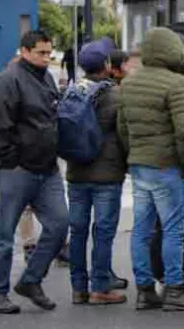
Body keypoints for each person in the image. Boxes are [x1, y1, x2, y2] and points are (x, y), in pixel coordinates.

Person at [118, 28, 184, 312]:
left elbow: (122, 127)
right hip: (167, 166)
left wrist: (130, 157)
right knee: (173, 229)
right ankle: (174, 288)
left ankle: (145, 290)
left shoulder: (129, 84)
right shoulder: (177, 84)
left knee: (142, 230)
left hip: (139, 166)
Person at [0, 30, 68, 315]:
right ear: (24, 51)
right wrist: (12, 162)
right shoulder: (8, 80)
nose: (47, 58)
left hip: (46, 168)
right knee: (4, 234)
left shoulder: (45, 78)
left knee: (59, 224)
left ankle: (31, 280)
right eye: (41, 53)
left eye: (50, 53)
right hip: (17, 170)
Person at [66, 42, 129, 306]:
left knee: (78, 231)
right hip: (107, 174)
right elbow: (124, 134)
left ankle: (78, 288)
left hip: (76, 172)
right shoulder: (116, 95)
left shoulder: (71, 92)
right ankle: (100, 287)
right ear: (105, 66)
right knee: (103, 231)